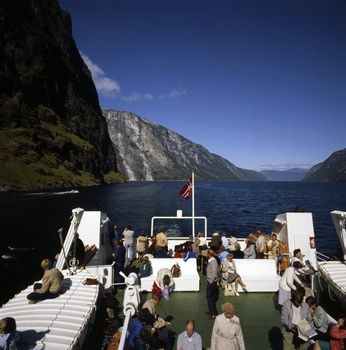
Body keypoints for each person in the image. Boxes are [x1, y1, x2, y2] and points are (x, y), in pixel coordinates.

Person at [206, 249, 219, 320]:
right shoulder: (211, 261)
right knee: (210, 298)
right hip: (211, 281)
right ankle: (212, 311)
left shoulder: (213, 262)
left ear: (209, 254)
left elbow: (214, 273)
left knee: (210, 298)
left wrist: (210, 281)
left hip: (211, 282)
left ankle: (214, 314)